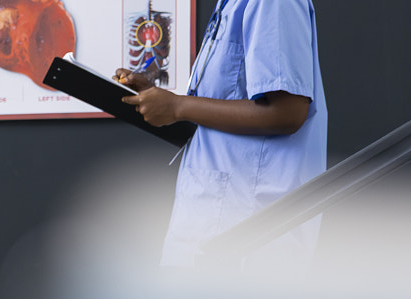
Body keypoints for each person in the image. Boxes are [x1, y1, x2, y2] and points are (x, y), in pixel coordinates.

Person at [120, 0, 327, 269]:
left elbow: (287, 112)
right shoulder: (229, 4)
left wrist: (179, 106)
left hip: (246, 231)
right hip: (211, 221)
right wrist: (164, 101)